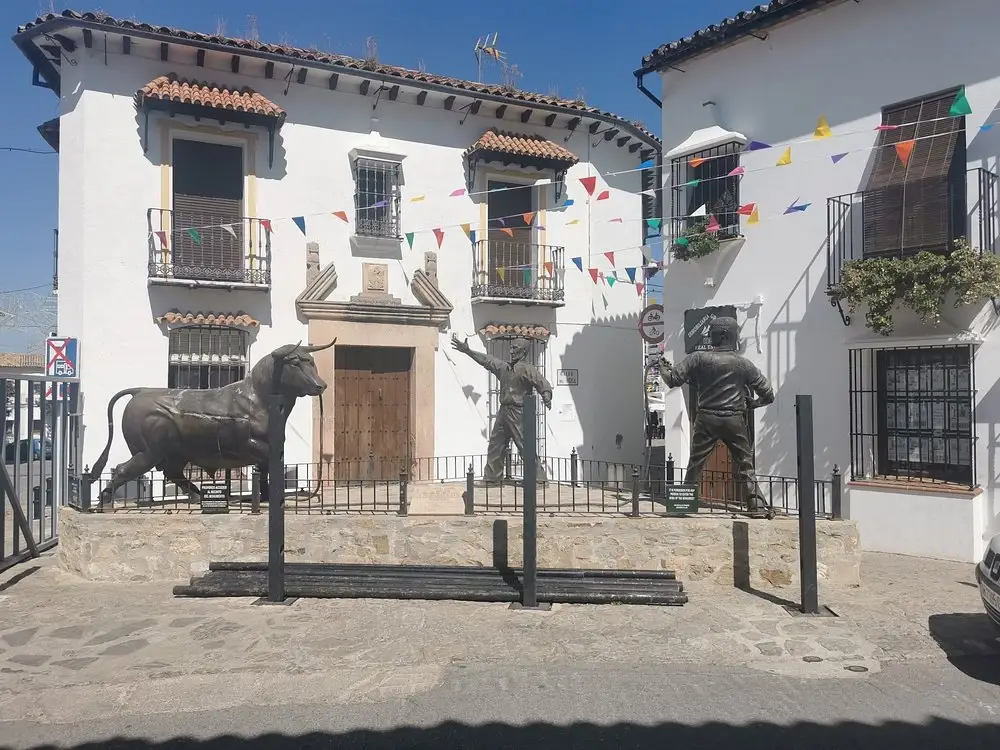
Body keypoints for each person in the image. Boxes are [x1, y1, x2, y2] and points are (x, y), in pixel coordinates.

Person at [659, 316, 775, 517]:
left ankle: (684, 505)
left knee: (696, 462)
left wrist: (662, 367)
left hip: (707, 419)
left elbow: (673, 380)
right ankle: (755, 505)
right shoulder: (744, 364)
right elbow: (768, 394)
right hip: (734, 420)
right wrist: (754, 404)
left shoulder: (698, 358)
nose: (708, 336)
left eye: (711, 332)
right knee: (746, 463)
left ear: (722, 335)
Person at [450, 335, 552, 483]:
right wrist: (468, 351)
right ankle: (492, 477)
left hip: (519, 412)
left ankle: (538, 478)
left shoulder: (527, 369)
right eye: (510, 347)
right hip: (504, 411)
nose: (511, 351)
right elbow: (487, 360)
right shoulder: (504, 368)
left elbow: (542, 383)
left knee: (524, 446)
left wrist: (546, 395)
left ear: (523, 351)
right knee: (495, 445)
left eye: (514, 348)